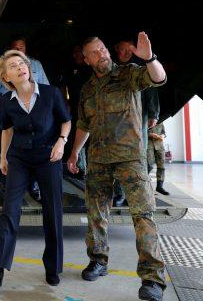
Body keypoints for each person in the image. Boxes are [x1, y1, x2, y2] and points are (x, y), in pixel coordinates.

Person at [67, 33, 167, 301]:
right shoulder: (87, 89)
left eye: (102, 48)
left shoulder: (128, 74)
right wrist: (75, 153)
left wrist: (150, 58)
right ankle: (98, 261)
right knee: (96, 214)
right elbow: (83, 125)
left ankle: (152, 279)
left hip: (130, 157)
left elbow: (157, 78)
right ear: (86, 59)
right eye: (94, 52)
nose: (102, 54)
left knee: (143, 215)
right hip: (98, 158)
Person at [0, 50, 71, 288]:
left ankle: (53, 268)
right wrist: (3, 156)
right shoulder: (5, 101)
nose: (21, 67)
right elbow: (7, 129)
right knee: (9, 210)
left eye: (22, 63)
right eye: (13, 66)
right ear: (6, 77)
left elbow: (66, 120)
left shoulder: (51, 94)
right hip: (19, 158)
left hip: (48, 156)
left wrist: (61, 142)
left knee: (52, 212)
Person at [0, 38, 49, 202]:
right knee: (9, 147)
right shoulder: (2, 66)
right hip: (10, 107)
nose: (19, 49)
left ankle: (33, 185)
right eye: (16, 47)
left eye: (21, 47)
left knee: (34, 147)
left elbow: (46, 88)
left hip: (34, 110)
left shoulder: (36, 65)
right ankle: (10, 186)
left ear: (26, 48)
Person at [111, 39, 161, 207]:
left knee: (140, 156)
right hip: (117, 119)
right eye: (122, 49)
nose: (125, 53)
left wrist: (153, 113)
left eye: (129, 50)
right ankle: (120, 193)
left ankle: (138, 192)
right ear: (116, 49)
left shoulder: (141, 66)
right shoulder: (111, 68)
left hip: (140, 116)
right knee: (118, 157)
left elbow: (152, 89)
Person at [61, 44, 92, 177]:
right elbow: (63, 86)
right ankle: (80, 168)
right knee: (77, 135)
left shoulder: (91, 67)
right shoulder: (69, 68)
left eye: (79, 52)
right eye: (76, 52)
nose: (77, 55)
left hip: (91, 106)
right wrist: (65, 102)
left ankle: (92, 169)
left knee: (91, 137)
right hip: (75, 105)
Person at [147, 123, 169, 195]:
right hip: (148, 145)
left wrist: (162, 135)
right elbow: (140, 131)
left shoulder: (161, 121)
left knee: (161, 167)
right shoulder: (146, 119)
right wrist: (150, 134)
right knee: (149, 165)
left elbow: (164, 132)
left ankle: (159, 187)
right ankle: (144, 185)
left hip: (159, 146)